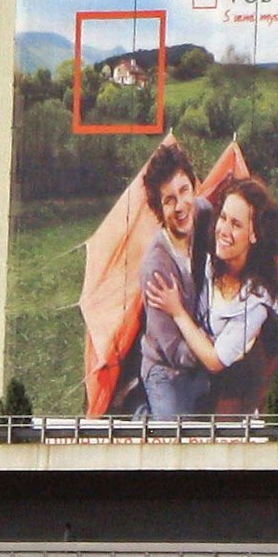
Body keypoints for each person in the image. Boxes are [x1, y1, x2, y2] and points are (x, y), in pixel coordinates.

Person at [145, 176, 278, 417]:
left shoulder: (256, 300)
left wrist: (178, 312)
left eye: (236, 224)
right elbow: (192, 211)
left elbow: (215, 361)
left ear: (254, 234)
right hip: (196, 369)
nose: (223, 230)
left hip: (235, 381)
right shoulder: (213, 258)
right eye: (223, 218)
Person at [79, 138, 206, 418]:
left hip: (203, 354)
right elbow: (172, 348)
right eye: (169, 200)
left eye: (184, 191)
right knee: (171, 441)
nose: (181, 206)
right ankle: (137, 404)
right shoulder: (156, 266)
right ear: (159, 209)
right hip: (168, 368)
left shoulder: (206, 216)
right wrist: (212, 353)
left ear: (194, 187)